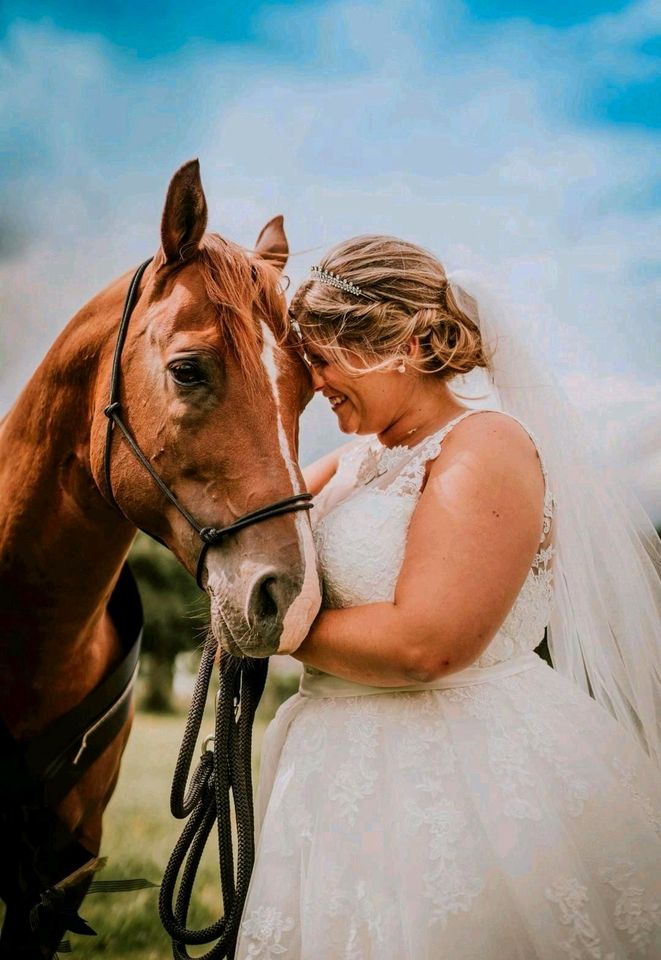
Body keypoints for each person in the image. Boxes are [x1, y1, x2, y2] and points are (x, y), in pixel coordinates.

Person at [235, 235, 661, 959]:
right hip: (335, 777)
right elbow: (243, 539)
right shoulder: (356, 460)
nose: (314, 382)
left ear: (395, 345)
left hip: (467, 783)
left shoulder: (483, 445)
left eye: (320, 358)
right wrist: (276, 391)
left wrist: (267, 631)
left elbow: (426, 645)